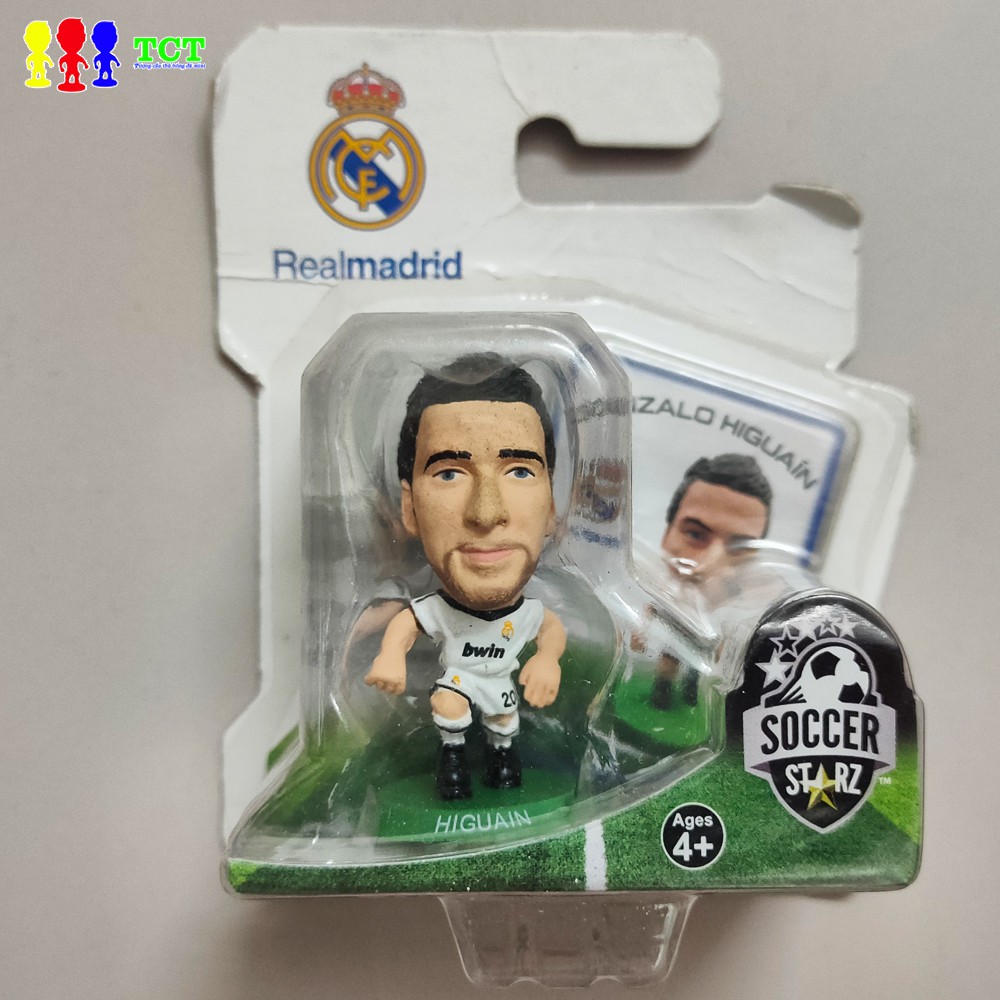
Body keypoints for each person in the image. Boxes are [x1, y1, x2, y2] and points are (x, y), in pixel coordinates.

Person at [365, 356, 566, 800]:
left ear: (552, 503)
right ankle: (452, 758)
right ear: (409, 508)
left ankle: (502, 759)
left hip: (500, 683)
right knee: (448, 703)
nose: (486, 513)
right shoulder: (440, 609)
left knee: (504, 723)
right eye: (449, 473)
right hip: (458, 678)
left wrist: (547, 660)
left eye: (519, 471)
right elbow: (407, 624)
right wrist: (390, 657)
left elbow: (550, 630)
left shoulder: (529, 613)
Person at [652, 453, 772, 709]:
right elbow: (653, 605)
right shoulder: (671, 587)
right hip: (676, 631)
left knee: (697, 672)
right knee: (669, 664)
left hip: (706, 642)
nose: (710, 564)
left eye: (739, 548)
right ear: (666, 533)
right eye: (695, 534)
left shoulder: (742, 601)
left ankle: (690, 695)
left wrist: (725, 650)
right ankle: (661, 694)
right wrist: (641, 628)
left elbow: (732, 630)